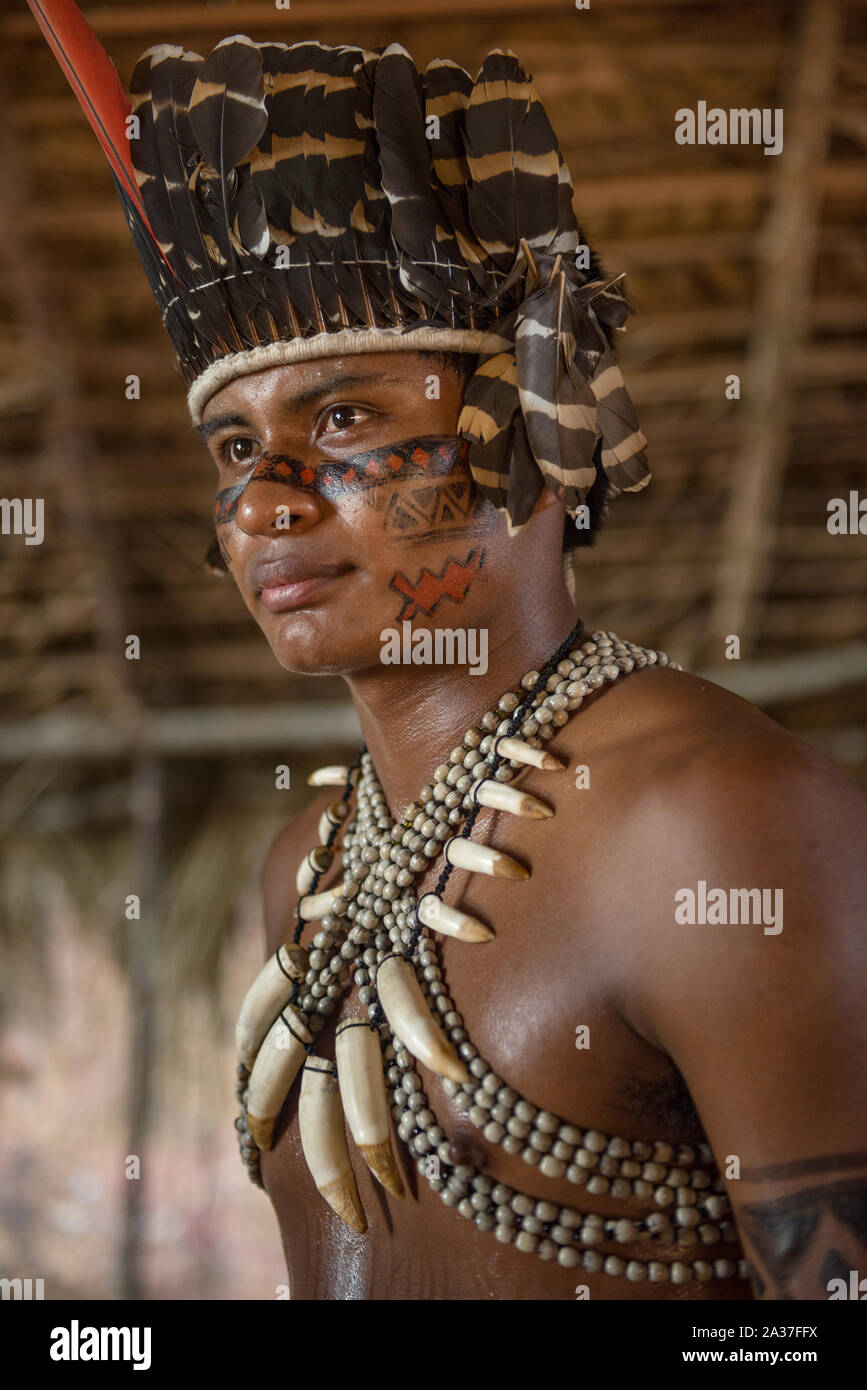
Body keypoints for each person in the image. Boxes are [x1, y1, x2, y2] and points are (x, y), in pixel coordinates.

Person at [32, 11, 867, 1301]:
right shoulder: (306, 866)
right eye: (236, 450)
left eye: (346, 415)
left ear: (526, 425)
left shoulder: (717, 826)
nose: (265, 503)